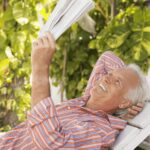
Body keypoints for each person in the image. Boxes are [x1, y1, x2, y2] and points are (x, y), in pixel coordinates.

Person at [0, 32, 149, 150]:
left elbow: (50, 145)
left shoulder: (101, 130)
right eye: (109, 75)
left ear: (124, 102)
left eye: (117, 82)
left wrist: (40, 69)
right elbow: (106, 58)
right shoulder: (85, 101)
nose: (106, 79)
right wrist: (127, 88)